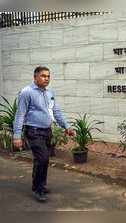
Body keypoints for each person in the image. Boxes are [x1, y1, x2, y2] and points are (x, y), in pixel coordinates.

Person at [13, 66, 75, 202]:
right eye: (43, 76)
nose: (46, 78)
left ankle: (41, 185)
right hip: (33, 131)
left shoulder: (49, 93)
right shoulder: (26, 92)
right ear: (35, 77)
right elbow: (20, 114)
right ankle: (38, 189)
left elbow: (56, 111)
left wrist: (67, 127)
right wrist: (17, 136)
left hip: (47, 131)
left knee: (42, 160)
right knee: (43, 158)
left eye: (48, 76)